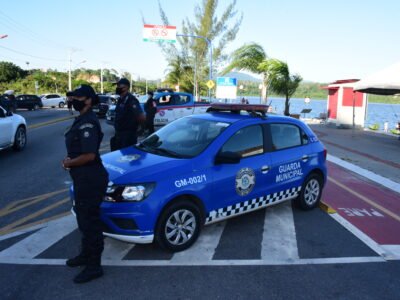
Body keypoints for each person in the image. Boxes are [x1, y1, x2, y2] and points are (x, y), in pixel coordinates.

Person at [62, 84, 109, 284]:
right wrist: (71, 160)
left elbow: (89, 155)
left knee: (90, 223)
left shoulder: (88, 123)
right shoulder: (81, 119)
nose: (73, 100)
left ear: (88, 100)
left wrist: (69, 162)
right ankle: (85, 255)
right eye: (73, 97)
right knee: (83, 219)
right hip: (83, 177)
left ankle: (94, 266)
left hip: (90, 178)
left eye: (78, 97)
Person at [111, 78, 144, 151]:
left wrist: (139, 128)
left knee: (128, 157)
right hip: (119, 134)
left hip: (128, 136)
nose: (118, 88)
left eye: (120, 86)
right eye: (117, 86)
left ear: (127, 87)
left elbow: (141, 117)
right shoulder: (120, 99)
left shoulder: (131, 100)